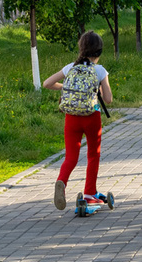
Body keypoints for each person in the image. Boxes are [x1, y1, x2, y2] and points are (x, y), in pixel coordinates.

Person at [42, 31, 114, 211]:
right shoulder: (99, 70)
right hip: (91, 118)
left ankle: (62, 182)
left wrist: (65, 87)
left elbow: (47, 84)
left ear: (81, 48)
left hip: (71, 119)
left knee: (71, 157)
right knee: (93, 155)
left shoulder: (70, 68)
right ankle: (90, 193)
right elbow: (108, 99)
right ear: (99, 51)